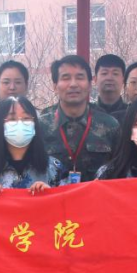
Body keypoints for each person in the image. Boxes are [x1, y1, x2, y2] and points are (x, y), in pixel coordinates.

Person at [38, 55, 120, 183]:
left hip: (95, 200)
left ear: (89, 85)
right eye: (66, 78)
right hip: (54, 201)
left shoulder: (110, 125)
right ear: (55, 86)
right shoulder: (40, 126)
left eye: (80, 77)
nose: (73, 84)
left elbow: (120, 171)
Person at [0, 96, 65, 192]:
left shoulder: (54, 169)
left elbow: (69, 204)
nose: (20, 123)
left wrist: (51, 195)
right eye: (12, 119)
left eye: (26, 118)